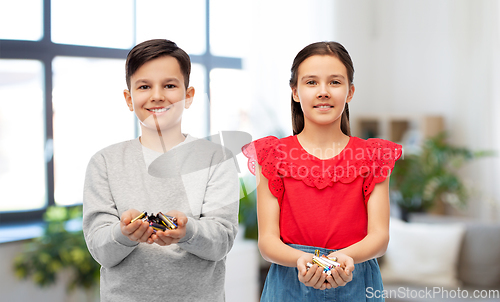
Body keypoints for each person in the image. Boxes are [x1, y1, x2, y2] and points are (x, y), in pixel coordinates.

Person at [242, 41, 402, 301]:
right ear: (295, 91)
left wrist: (342, 259)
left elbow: (380, 238)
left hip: (357, 280)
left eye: (335, 82)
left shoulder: (374, 156)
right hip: (289, 281)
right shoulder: (272, 155)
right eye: (311, 82)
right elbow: (268, 242)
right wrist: (303, 260)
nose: (324, 91)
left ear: (350, 92)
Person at [83, 39, 239, 302]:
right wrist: (123, 234)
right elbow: (101, 251)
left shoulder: (217, 159)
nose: (157, 95)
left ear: (188, 96)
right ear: (129, 98)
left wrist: (187, 231)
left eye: (169, 85)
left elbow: (221, 243)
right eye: (144, 86)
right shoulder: (104, 163)